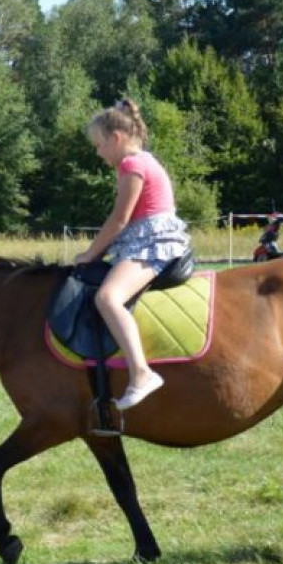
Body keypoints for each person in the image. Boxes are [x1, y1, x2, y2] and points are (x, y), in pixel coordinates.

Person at [73, 98, 190, 410]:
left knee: (107, 298)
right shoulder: (144, 160)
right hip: (146, 238)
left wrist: (90, 253)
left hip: (150, 242)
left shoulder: (131, 165)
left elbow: (120, 219)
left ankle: (141, 373)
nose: (97, 153)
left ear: (116, 138)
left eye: (99, 145)